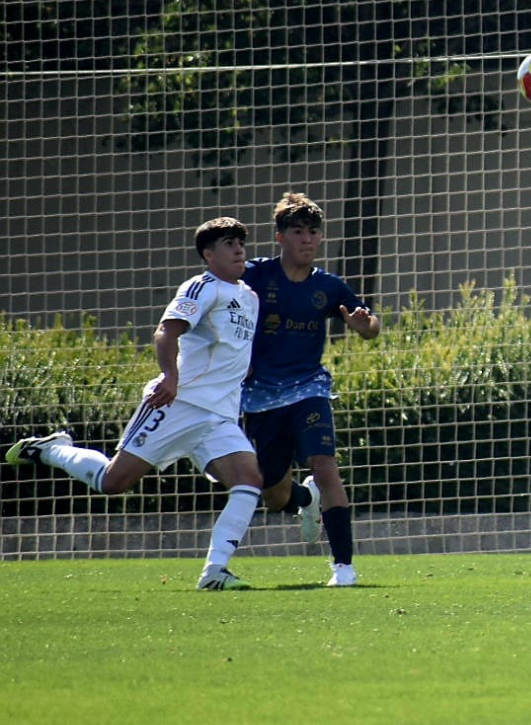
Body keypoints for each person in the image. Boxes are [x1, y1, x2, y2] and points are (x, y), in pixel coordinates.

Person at [6, 218, 264, 590]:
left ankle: (214, 572)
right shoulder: (202, 286)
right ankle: (52, 451)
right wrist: (170, 378)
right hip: (179, 402)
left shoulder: (250, 296)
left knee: (248, 479)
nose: (239, 249)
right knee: (113, 481)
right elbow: (166, 331)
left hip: (219, 414)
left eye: (240, 242)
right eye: (229, 243)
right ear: (209, 255)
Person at [241, 192, 381, 588]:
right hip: (260, 395)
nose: (307, 239)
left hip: (309, 388)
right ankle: (306, 501)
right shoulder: (254, 275)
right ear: (280, 237)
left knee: (325, 465)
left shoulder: (330, 287)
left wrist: (362, 326)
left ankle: (343, 567)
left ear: (320, 238)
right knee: (272, 494)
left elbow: (371, 327)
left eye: (313, 232)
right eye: (298, 231)